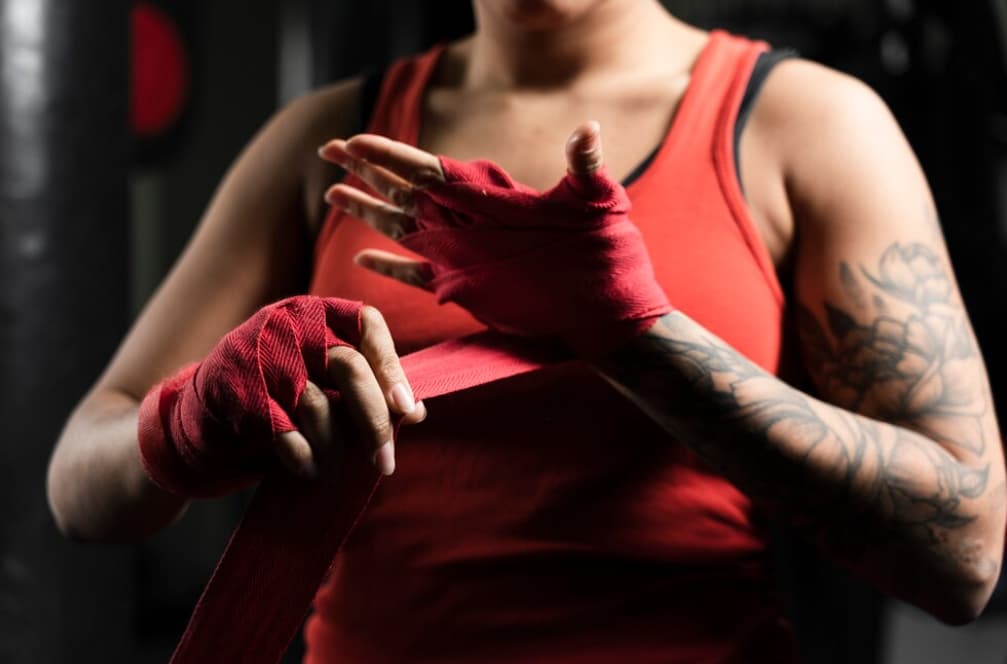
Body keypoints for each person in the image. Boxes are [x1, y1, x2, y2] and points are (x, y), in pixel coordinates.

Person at [48, 0, 1005, 661]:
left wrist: (632, 335)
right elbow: (78, 485)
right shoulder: (330, 141)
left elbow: (962, 553)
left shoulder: (809, 129)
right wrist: (188, 420)